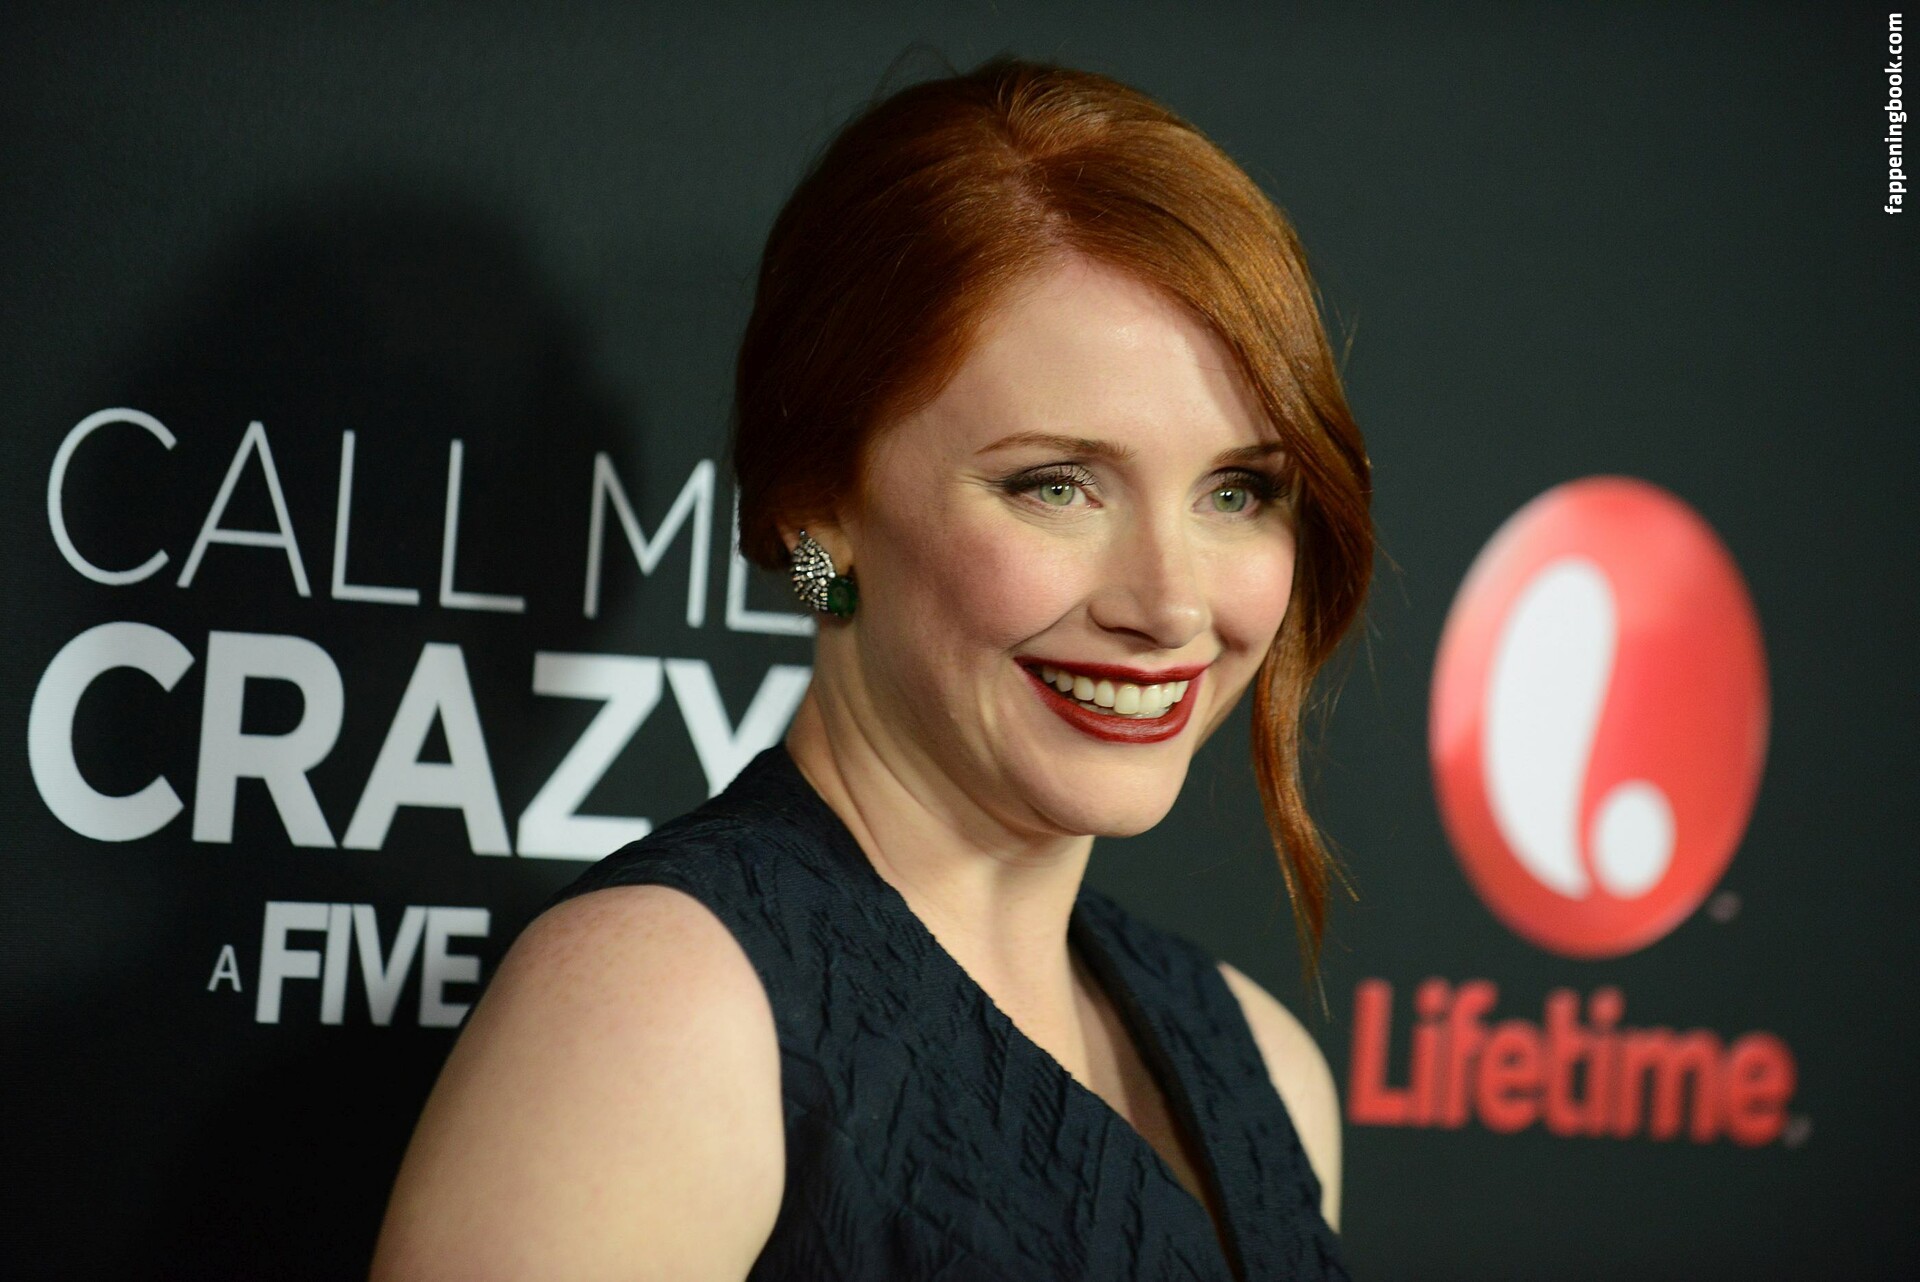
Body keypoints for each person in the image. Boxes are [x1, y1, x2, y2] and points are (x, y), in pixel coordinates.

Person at [372, 57, 1371, 1281]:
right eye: (1055, 485)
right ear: (817, 511)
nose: (1170, 604)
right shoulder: (664, 1017)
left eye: (1238, 491)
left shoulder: (1265, 1069)